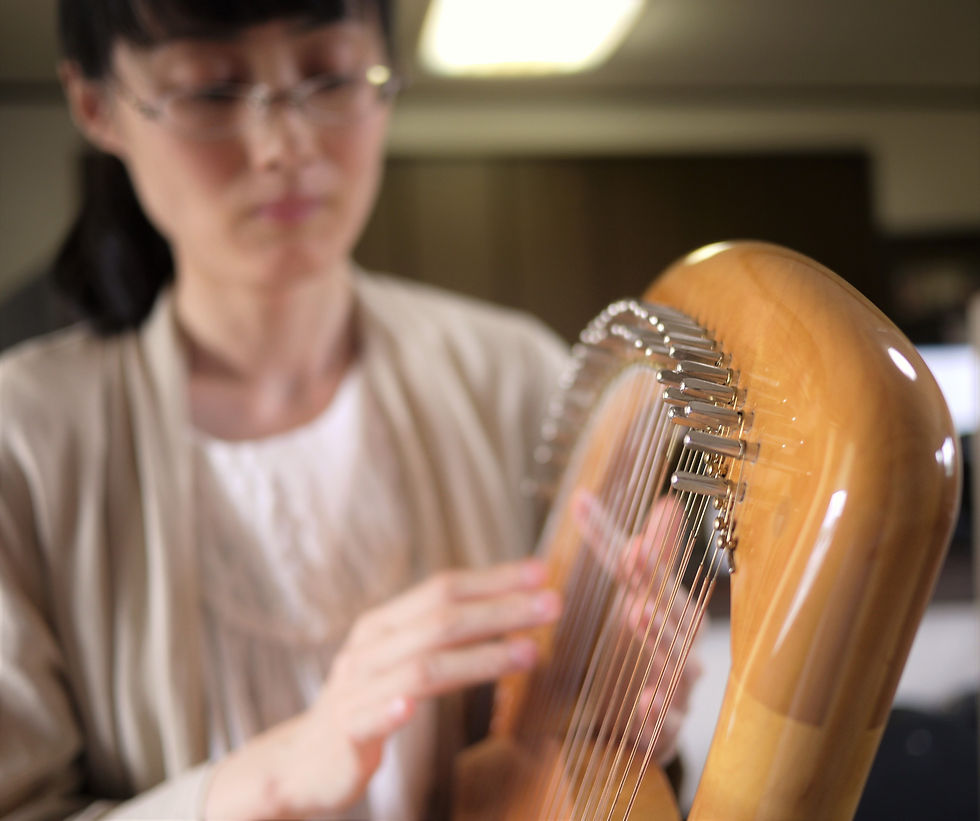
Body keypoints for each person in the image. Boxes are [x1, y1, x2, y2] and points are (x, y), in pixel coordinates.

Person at [0, 0, 700, 817]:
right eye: (212, 93)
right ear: (97, 106)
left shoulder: (517, 377)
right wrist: (271, 775)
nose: (284, 145)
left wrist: (617, 727)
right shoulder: (23, 440)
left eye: (330, 75)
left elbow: (571, 762)